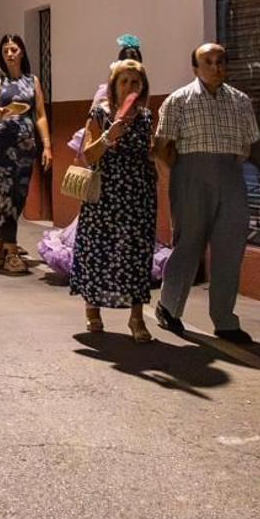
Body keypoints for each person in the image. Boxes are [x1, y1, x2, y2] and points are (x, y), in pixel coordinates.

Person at [152, 43, 258, 344]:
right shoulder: (178, 101)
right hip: (189, 174)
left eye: (220, 61)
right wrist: (178, 177)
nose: (215, 68)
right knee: (189, 244)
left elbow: (247, 145)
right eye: (207, 62)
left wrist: (226, 169)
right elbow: (162, 147)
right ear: (195, 68)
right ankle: (169, 307)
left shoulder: (241, 101)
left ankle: (225, 320)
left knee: (230, 247)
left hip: (231, 174)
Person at [72, 60, 159, 341]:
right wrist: (109, 137)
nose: (130, 87)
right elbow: (88, 155)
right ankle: (92, 309)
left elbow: (147, 152)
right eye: (125, 82)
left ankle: (136, 319)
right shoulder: (100, 114)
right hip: (105, 196)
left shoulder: (145, 117)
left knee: (137, 254)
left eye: (136, 82)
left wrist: (155, 157)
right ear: (114, 85)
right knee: (100, 251)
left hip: (138, 195)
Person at [0, 34, 51, 275]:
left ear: (22, 51)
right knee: (3, 196)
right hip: (0, 145)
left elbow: (40, 114)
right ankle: (11, 252)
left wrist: (47, 145)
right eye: (5, 51)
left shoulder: (32, 81)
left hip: (25, 145)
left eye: (14, 49)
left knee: (18, 195)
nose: (10, 54)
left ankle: (0, 244)